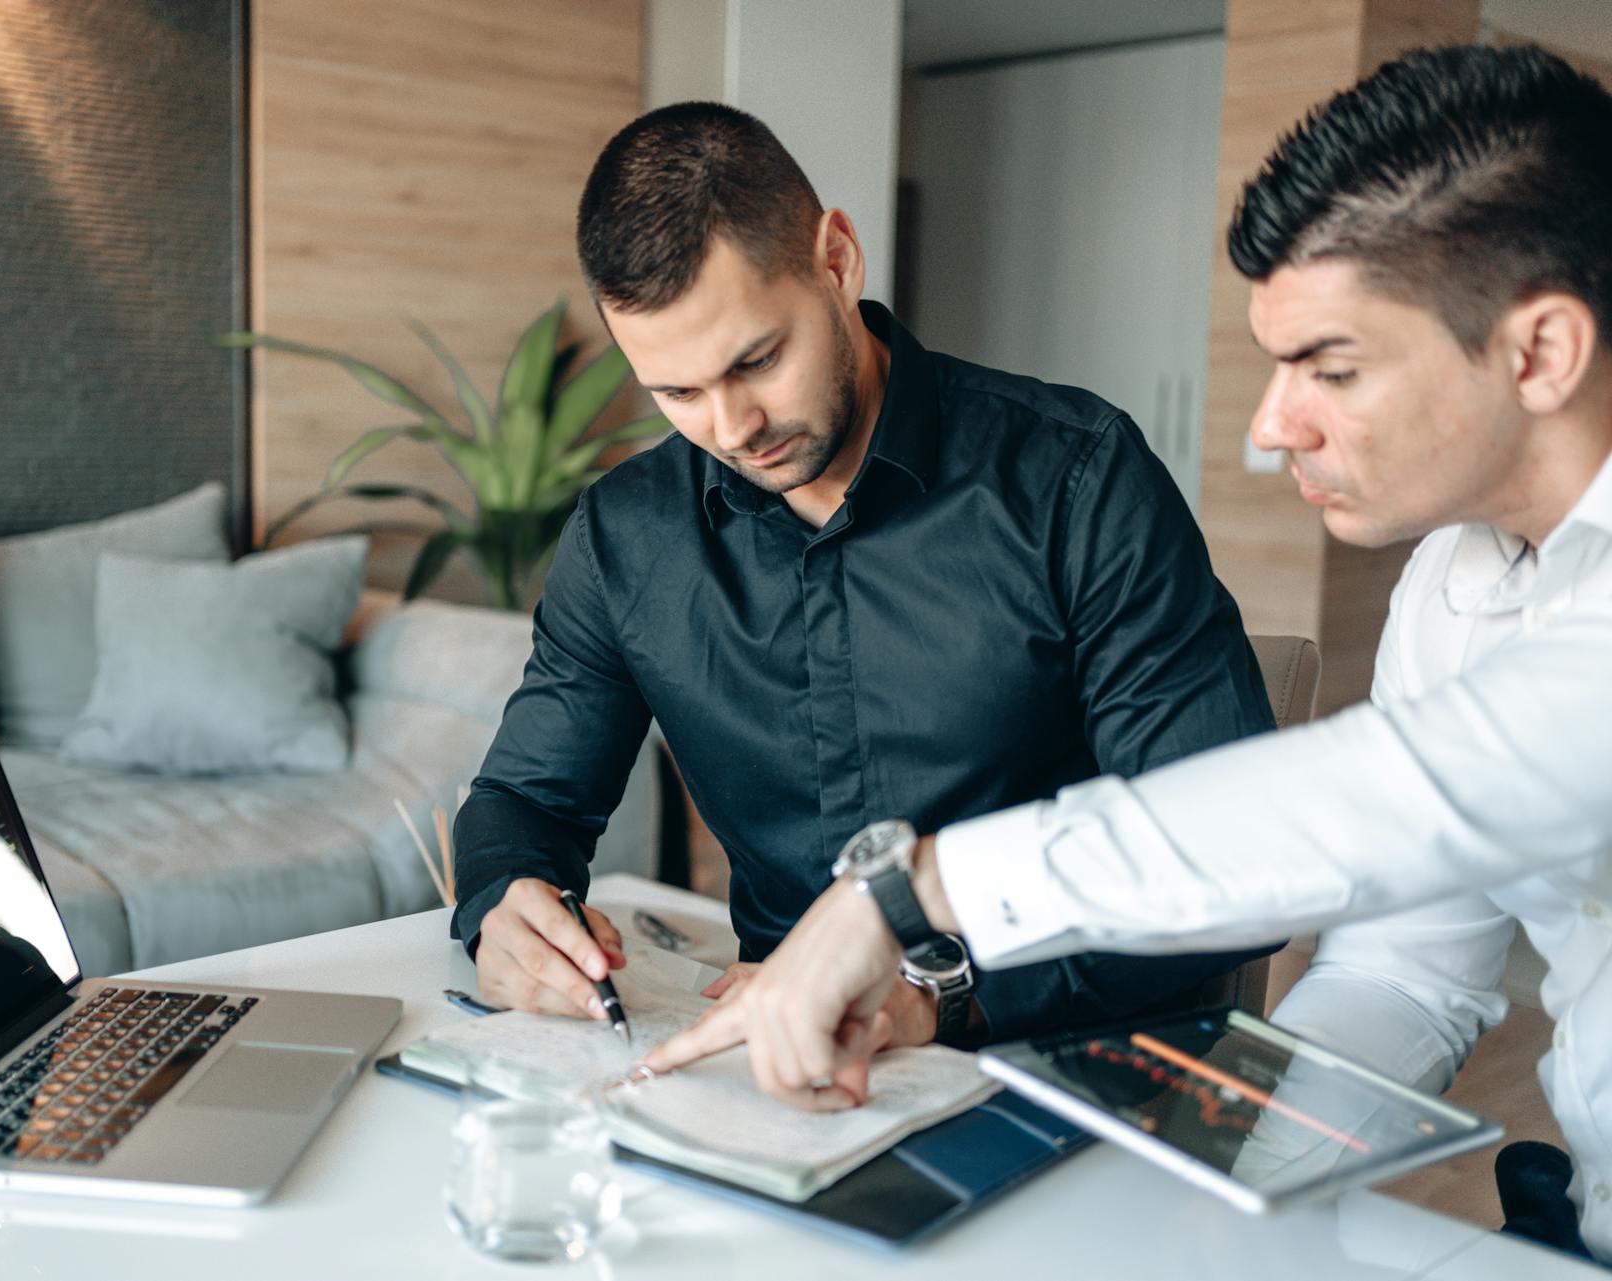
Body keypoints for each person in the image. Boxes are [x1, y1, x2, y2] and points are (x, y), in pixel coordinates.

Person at [642, 44, 1612, 1266]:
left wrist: (909, 891)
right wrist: (1212, 1177)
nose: (1271, 425)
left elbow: (1366, 811)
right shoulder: (1458, 584)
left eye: (1334, 368)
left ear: (1539, 353)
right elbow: (1413, 970)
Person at [448, 102, 1279, 1056]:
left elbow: (1231, 856)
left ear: (837, 260)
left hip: (1072, 1061)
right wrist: (503, 903)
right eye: (676, 392)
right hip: (782, 1063)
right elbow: (528, 800)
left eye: (758, 359)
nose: (731, 428)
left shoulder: (1075, 482)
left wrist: (933, 991)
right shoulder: (627, 535)